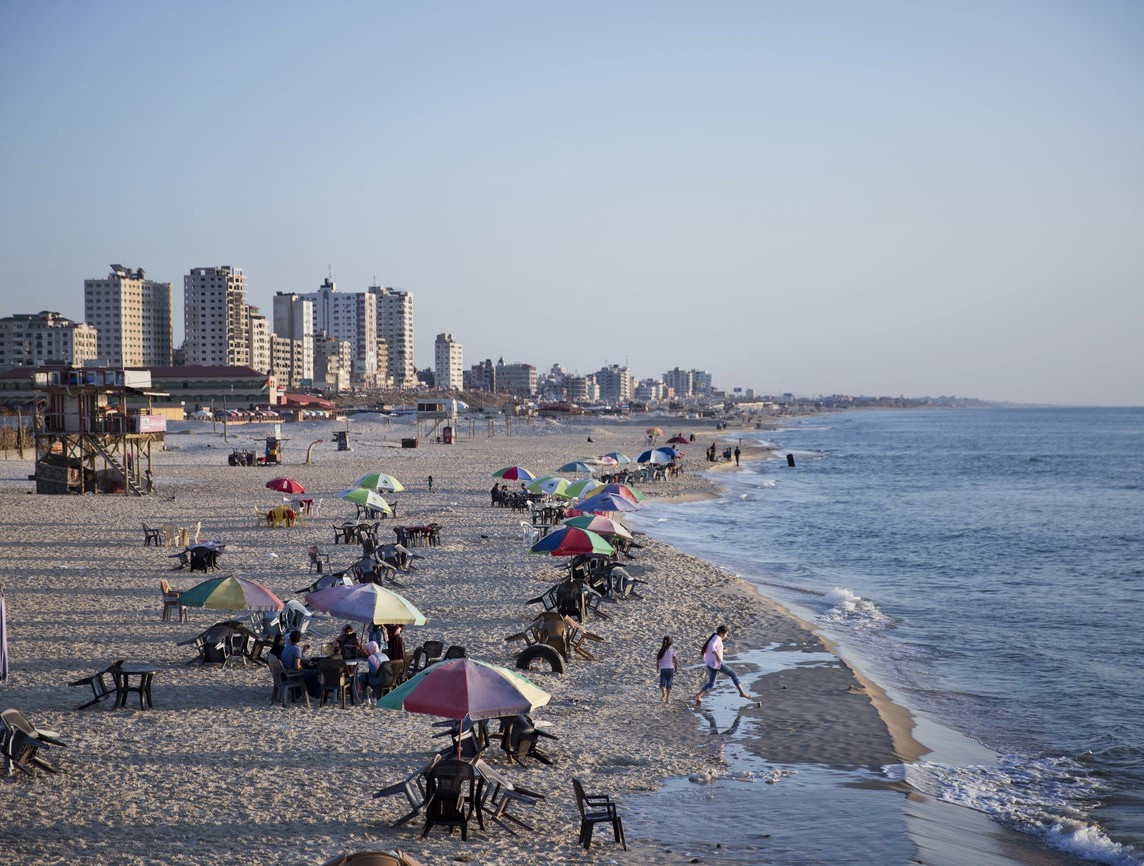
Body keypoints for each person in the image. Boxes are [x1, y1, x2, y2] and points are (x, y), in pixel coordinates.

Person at [694, 625, 751, 704]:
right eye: (726, 634)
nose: (726, 636)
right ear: (721, 633)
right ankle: (742, 693)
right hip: (715, 663)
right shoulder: (717, 638)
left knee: (711, 683)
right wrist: (717, 656)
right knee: (733, 674)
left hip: (710, 663)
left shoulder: (715, 637)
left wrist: (722, 651)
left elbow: (715, 648)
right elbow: (712, 647)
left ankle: (698, 696)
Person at [280, 630, 320, 697]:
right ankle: (317, 695)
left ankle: (307, 693)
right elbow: (297, 666)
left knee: (309, 670)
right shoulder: (297, 649)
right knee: (316, 673)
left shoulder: (286, 647)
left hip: (286, 671)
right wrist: (304, 669)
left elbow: (293, 658)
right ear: (300, 639)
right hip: (293, 673)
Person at [656, 636, 679, 703]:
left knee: (662, 683)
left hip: (663, 669)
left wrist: (657, 669)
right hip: (671, 668)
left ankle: (663, 693)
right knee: (669, 684)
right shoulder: (672, 651)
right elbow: (675, 660)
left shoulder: (661, 651)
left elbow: (658, 661)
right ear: (671, 643)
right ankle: (667, 699)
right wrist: (676, 668)